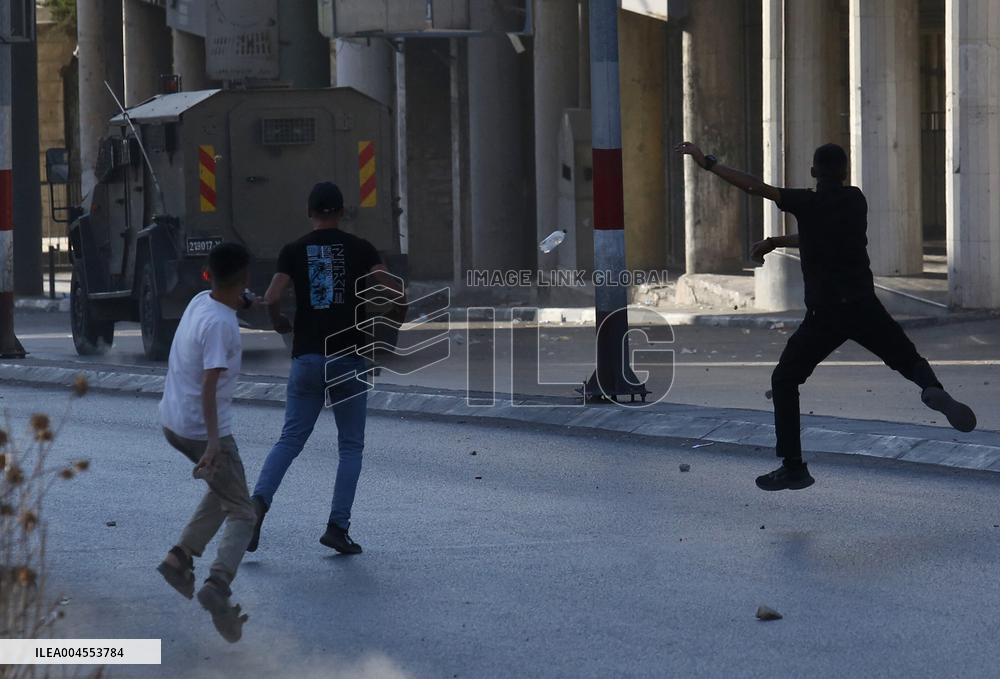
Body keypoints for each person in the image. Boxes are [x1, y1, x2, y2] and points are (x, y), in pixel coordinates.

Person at [675, 141, 977, 491]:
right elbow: (822, 235)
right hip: (864, 304)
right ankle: (932, 389)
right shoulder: (855, 200)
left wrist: (708, 163)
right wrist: (777, 240)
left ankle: (793, 466)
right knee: (907, 359)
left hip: (826, 313)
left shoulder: (807, 202)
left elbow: (755, 186)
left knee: (785, 380)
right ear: (845, 172)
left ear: (814, 172)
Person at [248, 182, 402, 554]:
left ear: (310, 212)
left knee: (289, 440)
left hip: (307, 359)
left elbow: (271, 298)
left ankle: (257, 507)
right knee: (350, 447)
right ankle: (337, 527)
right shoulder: (362, 249)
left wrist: (280, 322)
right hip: (349, 358)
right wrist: (389, 328)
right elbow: (394, 292)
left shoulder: (293, 250)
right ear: (342, 211)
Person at [156, 242, 255, 643]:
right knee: (244, 511)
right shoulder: (221, 326)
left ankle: (179, 558)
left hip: (172, 421)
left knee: (222, 490)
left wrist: (251, 300)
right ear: (244, 276)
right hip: (201, 428)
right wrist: (214, 444)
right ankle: (218, 584)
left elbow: (233, 299)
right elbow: (210, 386)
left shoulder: (202, 301)